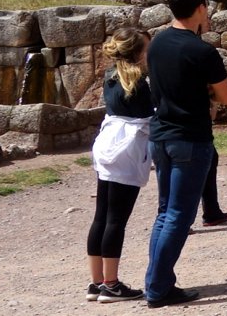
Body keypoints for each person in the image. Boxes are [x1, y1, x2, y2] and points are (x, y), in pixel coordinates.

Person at [144, 0, 227, 308]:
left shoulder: (156, 43)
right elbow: (226, 96)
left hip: (162, 136)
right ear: (200, 8)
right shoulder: (201, 50)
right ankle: (158, 286)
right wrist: (207, 92)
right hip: (190, 138)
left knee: (165, 212)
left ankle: (156, 280)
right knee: (179, 216)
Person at [84, 28, 153, 303]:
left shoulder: (110, 77)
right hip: (126, 148)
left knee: (101, 215)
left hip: (107, 144)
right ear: (137, 53)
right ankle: (111, 285)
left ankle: (96, 282)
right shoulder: (141, 83)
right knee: (116, 219)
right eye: (146, 49)